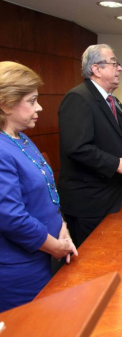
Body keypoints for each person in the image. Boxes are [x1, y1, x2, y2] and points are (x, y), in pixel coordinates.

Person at [0, 61, 77, 312]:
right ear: (6, 104)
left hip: (43, 254)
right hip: (18, 269)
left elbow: (47, 193)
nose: (39, 107)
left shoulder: (21, 138)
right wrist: (55, 246)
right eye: (32, 101)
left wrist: (62, 226)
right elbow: (11, 217)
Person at [58, 44, 122, 247]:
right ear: (96, 69)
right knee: (91, 264)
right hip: (89, 201)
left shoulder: (111, 99)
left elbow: (113, 136)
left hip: (110, 193)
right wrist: (115, 163)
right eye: (114, 63)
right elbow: (77, 147)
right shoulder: (78, 98)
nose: (119, 68)